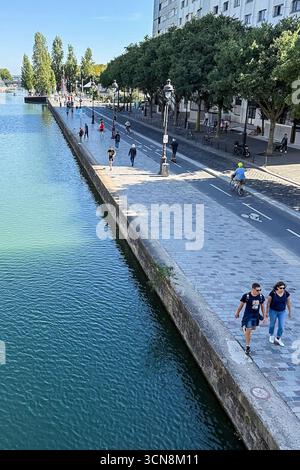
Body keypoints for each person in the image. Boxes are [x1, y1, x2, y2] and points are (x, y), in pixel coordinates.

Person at [235, 283, 266, 355]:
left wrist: (264, 316)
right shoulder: (246, 296)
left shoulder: (261, 296)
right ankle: (247, 347)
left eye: (260, 290)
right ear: (253, 289)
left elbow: (262, 306)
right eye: (257, 290)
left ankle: (245, 329)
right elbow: (241, 305)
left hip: (256, 316)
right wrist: (237, 313)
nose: (259, 291)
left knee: (252, 329)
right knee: (249, 331)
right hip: (248, 316)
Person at [266, 281, 292, 347]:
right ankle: (271, 335)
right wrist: (266, 312)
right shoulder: (272, 293)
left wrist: (289, 312)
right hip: (273, 311)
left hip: (282, 312)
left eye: (283, 288)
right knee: (272, 324)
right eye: (281, 288)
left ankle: (278, 338)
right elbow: (268, 303)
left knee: (281, 326)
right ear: (277, 287)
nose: (282, 289)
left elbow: (288, 303)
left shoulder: (286, 293)